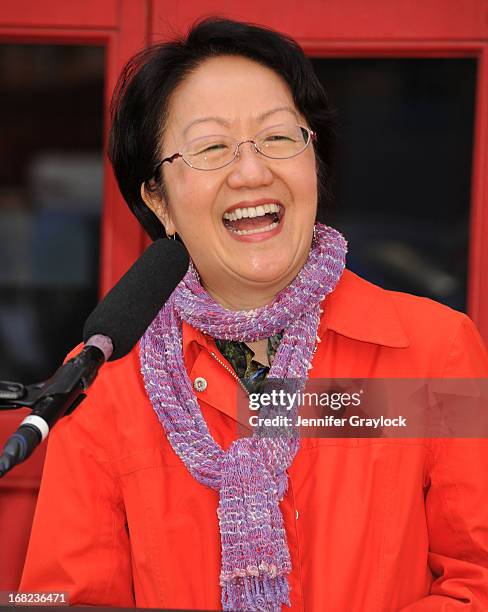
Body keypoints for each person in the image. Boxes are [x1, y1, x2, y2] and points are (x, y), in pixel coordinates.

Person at [20, 18, 488, 611]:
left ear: (314, 159)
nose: (251, 172)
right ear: (158, 199)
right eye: (212, 148)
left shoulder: (433, 351)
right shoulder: (103, 380)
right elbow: (71, 599)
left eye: (278, 138)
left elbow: (478, 578)